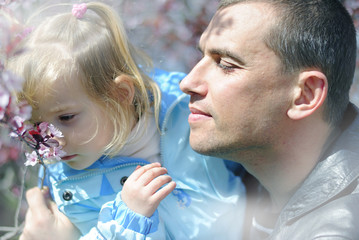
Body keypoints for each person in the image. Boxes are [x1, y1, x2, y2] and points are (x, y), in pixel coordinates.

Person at [8, 2, 246, 240]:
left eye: (66, 118)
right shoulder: (69, 182)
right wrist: (129, 220)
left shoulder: (183, 106)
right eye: (34, 125)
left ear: (120, 94)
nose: (50, 142)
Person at [179, 0, 359, 239]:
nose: (188, 83)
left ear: (305, 94)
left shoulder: (338, 230)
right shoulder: (238, 184)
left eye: (225, 64)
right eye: (201, 56)